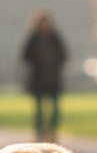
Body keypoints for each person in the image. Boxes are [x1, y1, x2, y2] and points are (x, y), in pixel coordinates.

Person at [20, 11, 69, 141]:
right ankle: (40, 132)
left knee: (55, 108)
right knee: (39, 109)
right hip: (38, 80)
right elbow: (26, 56)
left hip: (53, 78)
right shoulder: (33, 38)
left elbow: (64, 55)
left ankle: (52, 131)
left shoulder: (55, 37)